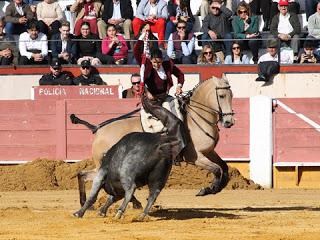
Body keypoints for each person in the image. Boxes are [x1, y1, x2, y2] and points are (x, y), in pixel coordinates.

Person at [134, 26, 184, 104]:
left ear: (162, 60)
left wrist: (179, 86)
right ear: (151, 60)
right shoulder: (147, 65)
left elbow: (180, 74)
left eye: (159, 62)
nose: (157, 65)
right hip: (150, 98)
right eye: (154, 62)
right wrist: (143, 35)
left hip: (164, 97)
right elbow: (136, 51)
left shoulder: (167, 65)